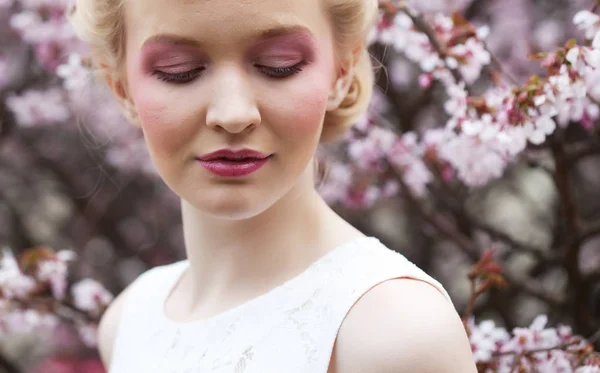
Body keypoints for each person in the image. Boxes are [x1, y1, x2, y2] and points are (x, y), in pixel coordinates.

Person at [68, 0, 477, 371]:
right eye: (178, 70)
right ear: (121, 88)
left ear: (342, 71)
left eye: (278, 64)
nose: (233, 114)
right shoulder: (129, 321)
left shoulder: (395, 332)